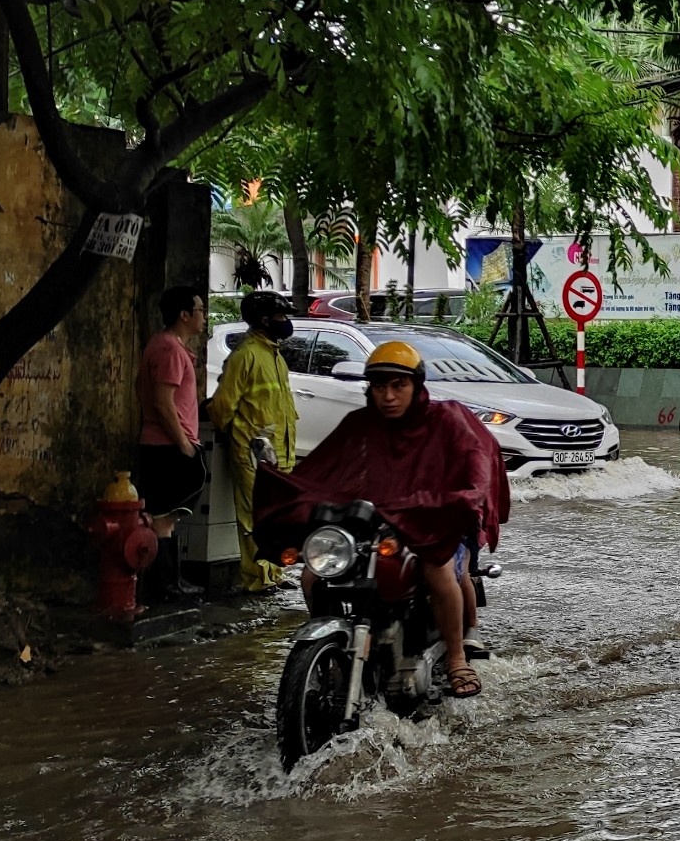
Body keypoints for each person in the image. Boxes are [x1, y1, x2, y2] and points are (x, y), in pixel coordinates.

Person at [255, 339, 510, 696]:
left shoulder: (448, 419)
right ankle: (335, 650)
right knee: (313, 576)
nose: (388, 396)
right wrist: (284, 490)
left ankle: (456, 658)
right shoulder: (359, 424)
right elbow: (321, 474)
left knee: (436, 570)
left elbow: (476, 467)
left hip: (435, 522)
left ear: (416, 385)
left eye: (398, 385)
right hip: (375, 522)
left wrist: (459, 498)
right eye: (379, 386)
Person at [206, 290, 300, 590]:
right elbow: (223, 406)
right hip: (253, 452)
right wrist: (231, 435)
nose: (285, 322)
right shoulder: (245, 355)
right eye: (280, 316)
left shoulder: (274, 355)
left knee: (276, 516)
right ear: (264, 320)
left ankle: (273, 573)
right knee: (253, 516)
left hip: (278, 452)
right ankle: (257, 578)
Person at [133, 285, 208, 602]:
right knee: (163, 518)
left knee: (168, 516)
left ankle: (172, 581)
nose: (204, 316)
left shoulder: (166, 346)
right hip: (166, 446)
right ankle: (165, 586)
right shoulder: (169, 350)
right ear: (184, 315)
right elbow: (163, 403)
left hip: (166, 443)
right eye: (200, 310)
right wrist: (184, 444)